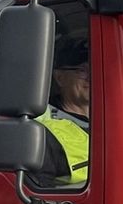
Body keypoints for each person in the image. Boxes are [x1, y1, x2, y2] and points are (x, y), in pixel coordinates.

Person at [35, 37, 90, 187]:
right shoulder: (42, 133)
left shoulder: (119, 123)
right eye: (82, 70)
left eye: (95, 69)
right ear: (60, 78)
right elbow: (40, 195)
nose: (91, 77)